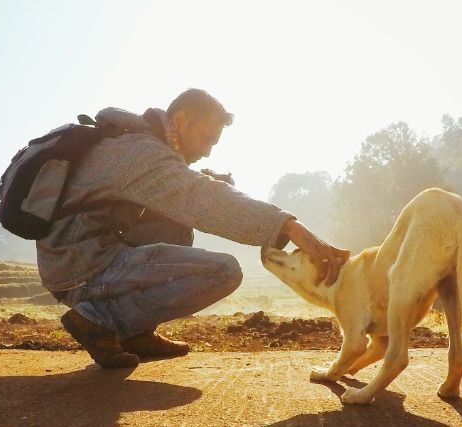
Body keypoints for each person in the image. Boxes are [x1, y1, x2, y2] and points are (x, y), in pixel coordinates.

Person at [37, 88, 349, 368]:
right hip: (81, 268)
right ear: (182, 121)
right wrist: (290, 227)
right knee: (224, 271)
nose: (208, 151)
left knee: (176, 223)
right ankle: (101, 320)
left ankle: (134, 333)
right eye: (206, 138)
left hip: (80, 255)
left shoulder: (135, 141)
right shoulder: (141, 151)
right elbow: (199, 197)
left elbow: (186, 195)